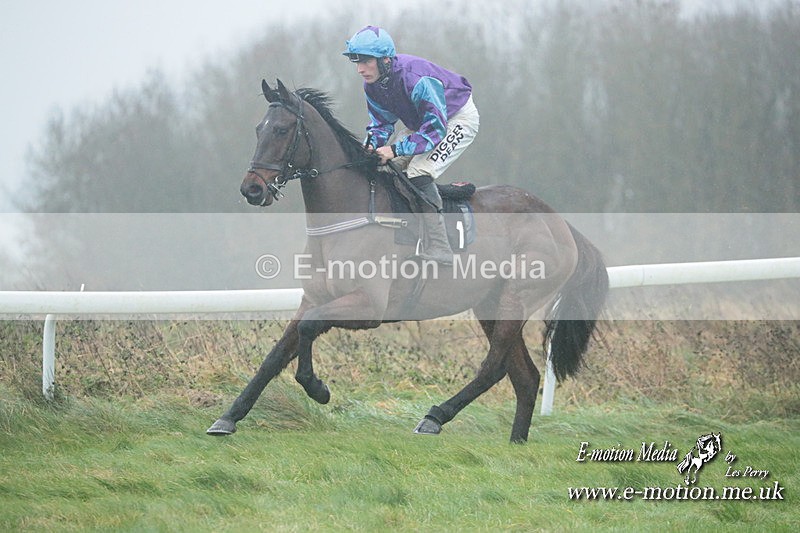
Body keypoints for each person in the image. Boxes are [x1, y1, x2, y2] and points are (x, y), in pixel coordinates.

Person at [343, 25, 480, 265]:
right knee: (385, 168)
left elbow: (435, 130)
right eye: (356, 62)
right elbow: (381, 124)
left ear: (385, 60)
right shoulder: (372, 85)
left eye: (366, 62)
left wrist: (394, 149)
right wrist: (370, 148)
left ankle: (440, 247)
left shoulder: (416, 79)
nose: (360, 69)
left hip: (456, 119)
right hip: (421, 124)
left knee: (417, 172)